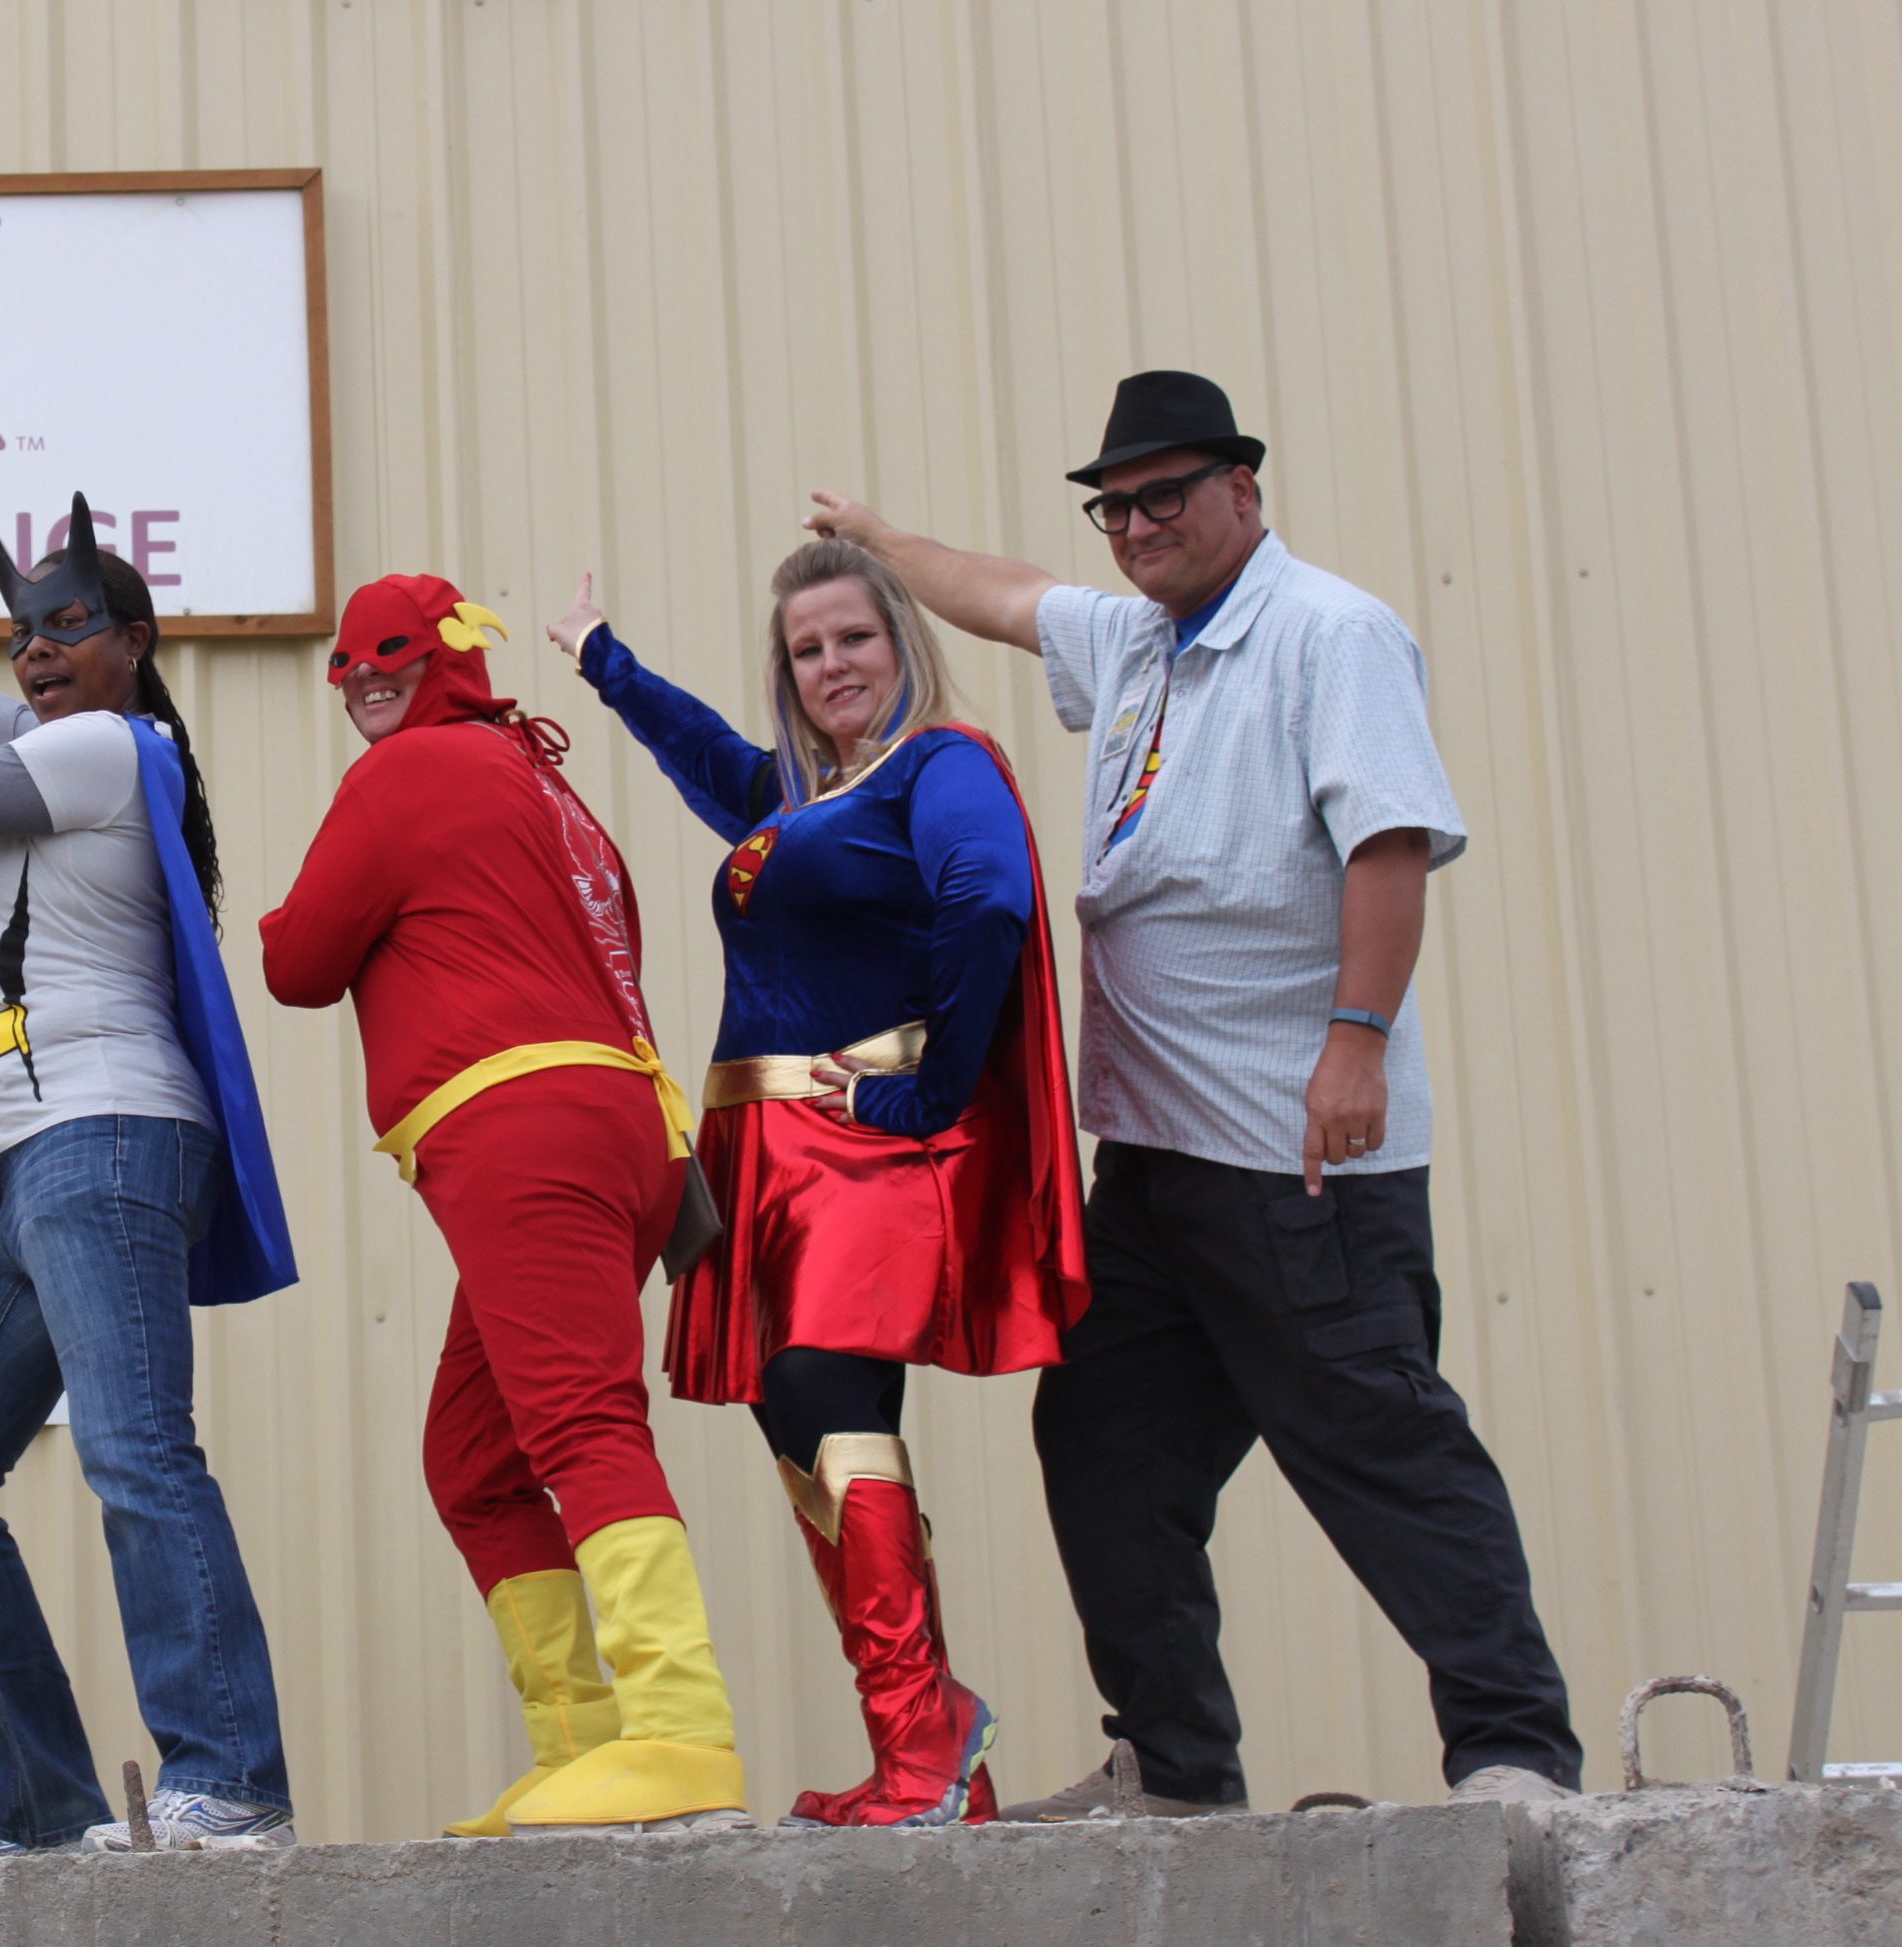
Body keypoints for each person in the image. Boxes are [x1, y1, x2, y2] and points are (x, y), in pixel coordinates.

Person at [805, 368, 1583, 1816]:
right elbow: (1006, 593)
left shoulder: (1325, 633)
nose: (1139, 524)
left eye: (1169, 492)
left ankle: (1513, 1749)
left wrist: (1355, 1038)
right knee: (1102, 1438)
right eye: (1117, 504)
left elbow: (1390, 845)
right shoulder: (1143, 638)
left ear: (1245, 489)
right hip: (1155, 1163)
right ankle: (1173, 1765)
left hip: (1294, 1151)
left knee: (1378, 1440)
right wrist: (878, 540)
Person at [555, 548, 1088, 1828]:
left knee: (824, 1395)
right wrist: (605, 667)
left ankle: (923, 1741)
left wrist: (929, 1092)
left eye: (853, 638)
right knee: (800, 1424)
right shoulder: (806, 798)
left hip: (861, 1146)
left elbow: (990, 901)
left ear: (900, 639)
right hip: (770, 1157)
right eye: (807, 649)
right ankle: (926, 1743)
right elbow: (723, 770)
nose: (833, 665)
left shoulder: (940, 765)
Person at [259, 573, 750, 1838]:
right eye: (351, 664)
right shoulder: (546, 784)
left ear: (444, 660)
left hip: (520, 1132)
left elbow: (300, 962)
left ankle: (678, 1728)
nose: (365, 678)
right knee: (476, 1459)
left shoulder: (410, 776)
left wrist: (269, 913)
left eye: (392, 657)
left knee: (579, 1419)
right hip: (617, 1137)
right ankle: (585, 1746)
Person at [0, 494, 298, 1861]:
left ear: (133, 644)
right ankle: (43, 1796)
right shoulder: (79, 738)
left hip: (103, 1138)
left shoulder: (102, 745)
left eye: (70, 627)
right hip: (32, 1165)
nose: (40, 650)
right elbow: (0, 721)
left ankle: (231, 1775)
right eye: (23, 633)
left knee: (137, 1449)